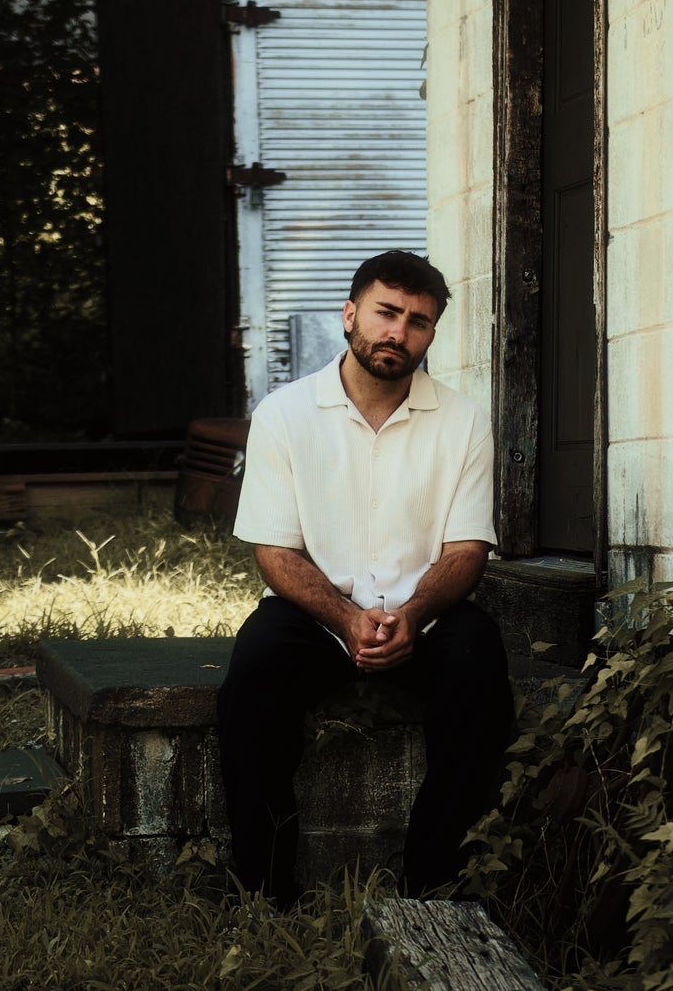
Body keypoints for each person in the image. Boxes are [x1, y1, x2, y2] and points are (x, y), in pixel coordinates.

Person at [218, 250, 514, 905]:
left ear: (431, 334)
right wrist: (348, 619)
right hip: (315, 613)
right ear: (350, 314)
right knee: (254, 671)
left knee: (480, 662)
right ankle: (265, 889)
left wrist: (410, 616)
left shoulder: (463, 420)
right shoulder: (285, 414)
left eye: (418, 322)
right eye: (387, 313)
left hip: (425, 615)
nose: (398, 333)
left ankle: (434, 888)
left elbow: (467, 550)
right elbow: (275, 551)